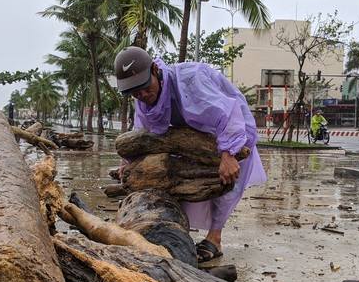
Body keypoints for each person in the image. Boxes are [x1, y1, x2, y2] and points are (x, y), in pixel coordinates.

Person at [114, 46, 267, 263]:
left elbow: (228, 113)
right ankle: (176, 232)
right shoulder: (143, 100)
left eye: (146, 88)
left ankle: (215, 238)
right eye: (135, 93)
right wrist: (129, 164)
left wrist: (229, 153)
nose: (143, 96)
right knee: (177, 181)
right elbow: (143, 134)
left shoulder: (191, 80)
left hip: (230, 127)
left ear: (155, 70)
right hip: (192, 136)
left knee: (225, 183)